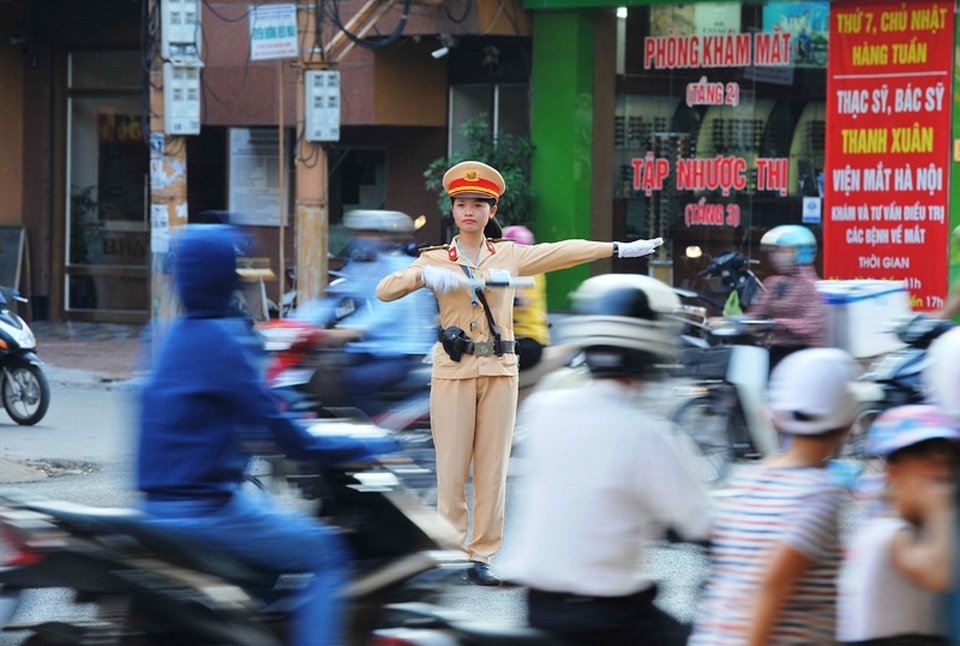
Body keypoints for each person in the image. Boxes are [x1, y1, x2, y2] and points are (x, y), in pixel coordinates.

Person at [376, 160, 663, 585]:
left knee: (492, 468)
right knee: (452, 467)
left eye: (478, 204)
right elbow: (386, 290)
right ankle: (450, 551)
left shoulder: (510, 254)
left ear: (492, 211)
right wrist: (425, 276)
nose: (469, 211)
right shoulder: (436, 258)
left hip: (500, 369)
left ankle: (481, 556)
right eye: (461, 204)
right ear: (452, 210)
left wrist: (617, 249)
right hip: (454, 371)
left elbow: (564, 252)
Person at [136, 224, 400, 646]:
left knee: (267, 519)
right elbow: (293, 440)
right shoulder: (222, 339)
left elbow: (223, 416)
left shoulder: (167, 335)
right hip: (206, 511)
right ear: (227, 276)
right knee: (327, 553)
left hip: (158, 507)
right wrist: (375, 442)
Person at [502, 273, 713, 644]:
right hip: (611, 620)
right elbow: (702, 522)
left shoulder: (544, 407)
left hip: (538, 608)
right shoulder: (646, 434)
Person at [689, 347, 859, 645]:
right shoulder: (818, 494)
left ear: (772, 417)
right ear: (847, 426)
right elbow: (771, 585)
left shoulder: (749, 479)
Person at [837, 404, 960, 645]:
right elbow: (937, 575)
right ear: (893, 469)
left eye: (949, 465)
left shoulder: (886, 526)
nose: (943, 470)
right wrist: (939, 509)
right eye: (933, 476)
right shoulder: (889, 534)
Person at [335, 210, 438, 417]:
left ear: (386, 238)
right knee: (327, 369)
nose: (363, 239)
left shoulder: (404, 270)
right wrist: (297, 324)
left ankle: (380, 437)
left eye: (371, 234)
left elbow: (387, 310)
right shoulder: (362, 267)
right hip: (372, 349)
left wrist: (349, 330)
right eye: (360, 234)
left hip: (402, 353)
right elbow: (335, 298)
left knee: (355, 381)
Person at [747, 224, 827, 369]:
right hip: (773, 353)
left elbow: (811, 324)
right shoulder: (773, 283)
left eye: (783, 250)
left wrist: (777, 323)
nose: (776, 256)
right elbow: (756, 313)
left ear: (799, 252)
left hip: (801, 358)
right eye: (775, 251)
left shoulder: (811, 285)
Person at [501, 225, 549, 370]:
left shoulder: (531, 272)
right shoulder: (508, 271)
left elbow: (523, 302)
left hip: (528, 339)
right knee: (474, 352)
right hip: (508, 338)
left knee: (487, 356)